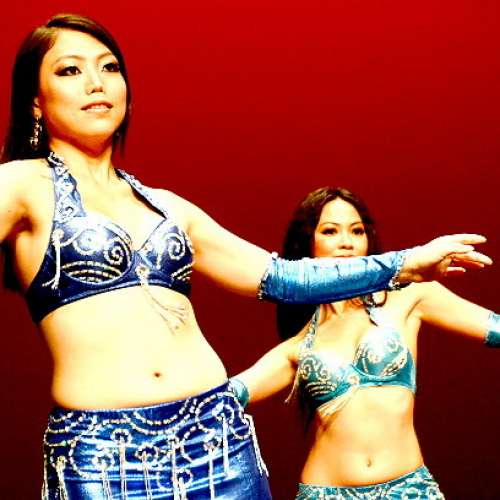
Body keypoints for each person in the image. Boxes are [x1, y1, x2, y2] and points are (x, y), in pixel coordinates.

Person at [0, 14, 491, 500]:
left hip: (216, 442)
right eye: (70, 70)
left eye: (109, 67)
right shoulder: (21, 185)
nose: (96, 83)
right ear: (35, 101)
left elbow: (280, 277)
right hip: (104, 456)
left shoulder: (167, 207)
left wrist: (407, 264)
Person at [230, 187, 499, 499]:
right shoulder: (298, 346)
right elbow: (222, 398)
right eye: (330, 231)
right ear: (307, 244)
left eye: (357, 231)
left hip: (408, 490)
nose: (346, 242)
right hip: (326, 493)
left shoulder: (410, 296)